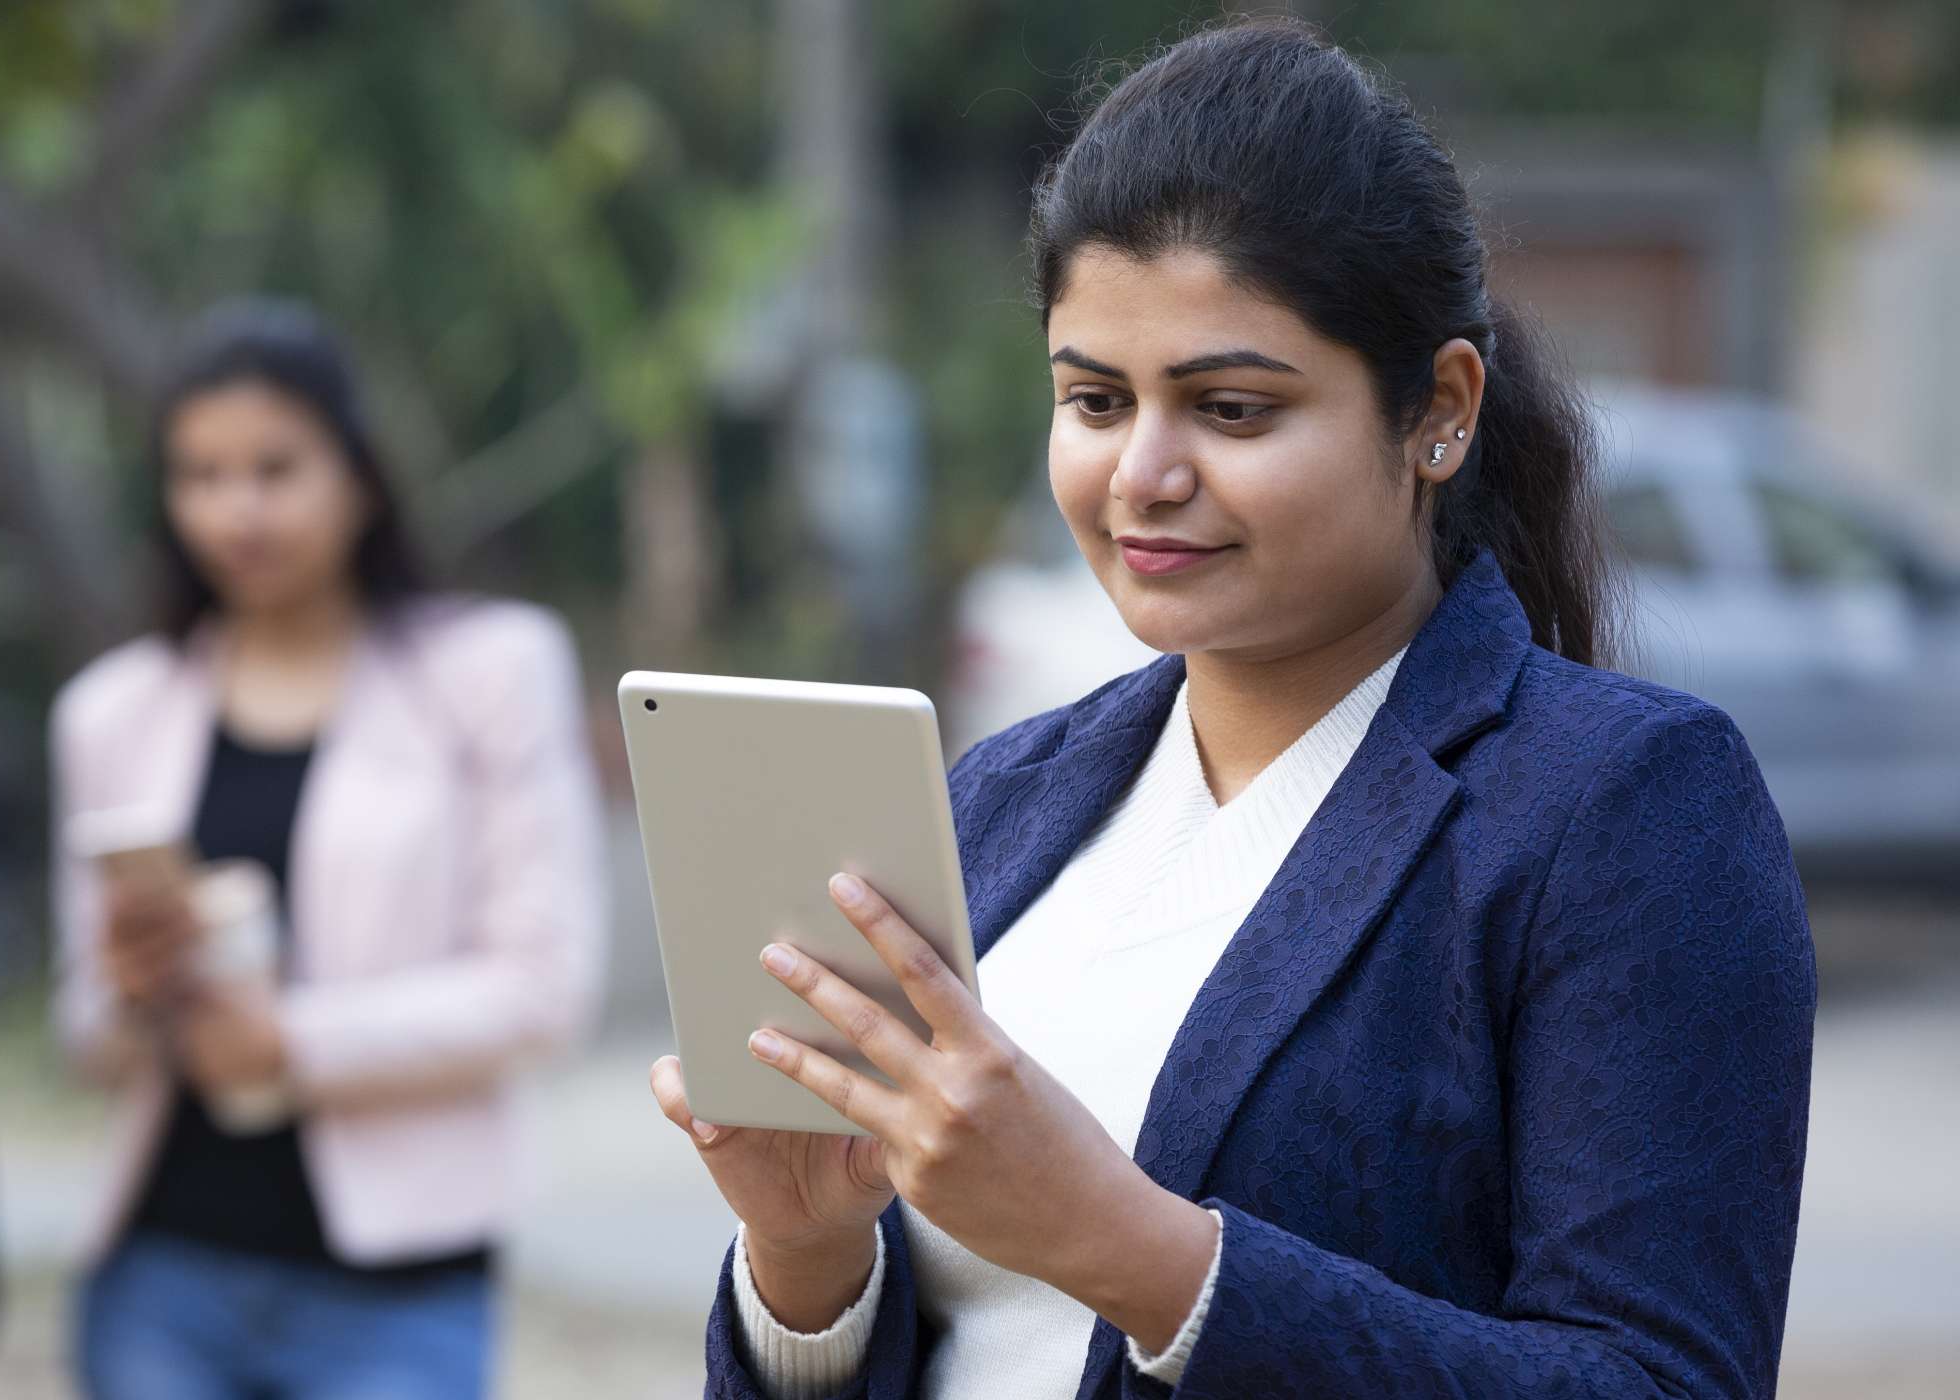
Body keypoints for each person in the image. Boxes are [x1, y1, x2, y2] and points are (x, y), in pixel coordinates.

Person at [651, 19, 1814, 1400]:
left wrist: (1135, 1251)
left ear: (1438, 409)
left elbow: (1660, 1382)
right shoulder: (1003, 798)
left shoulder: (1617, 808)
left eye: (1233, 410)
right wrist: (807, 1261)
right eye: (1094, 398)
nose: (1142, 472)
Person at [49, 300, 609, 1398]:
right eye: (199, 475)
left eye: (273, 467)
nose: (235, 508)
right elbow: (84, 1037)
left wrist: (289, 1041)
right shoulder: (113, 710)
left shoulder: (492, 670)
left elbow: (546, 986)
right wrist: (123, 991)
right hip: (159, 1276)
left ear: (357, 473)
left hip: (399, 1292)